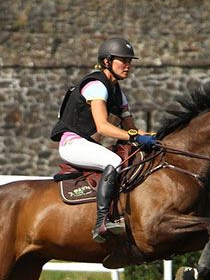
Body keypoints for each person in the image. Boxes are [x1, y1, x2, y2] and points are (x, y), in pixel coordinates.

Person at [51, 37, 156, 242]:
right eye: (123, 61)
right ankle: (102, 222)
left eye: (130, 61)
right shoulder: (96, 86)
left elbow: (132, 130)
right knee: (114, 161)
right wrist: (136, 135)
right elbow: (103, 127)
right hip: (73, 143)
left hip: (87, 144)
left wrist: (155, 137)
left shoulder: (118, 93)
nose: (128, 65)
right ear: (107, 61)